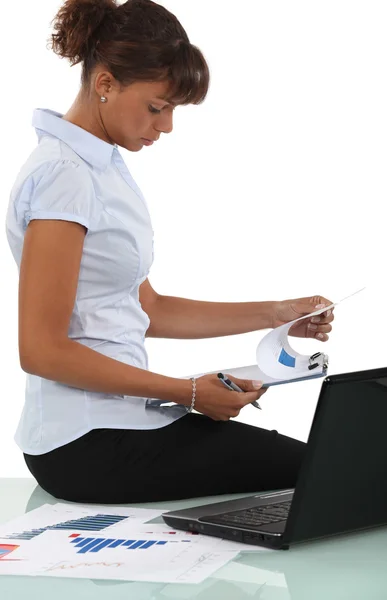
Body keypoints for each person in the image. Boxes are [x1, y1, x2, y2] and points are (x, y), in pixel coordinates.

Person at [5, 0, 334, 505]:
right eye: (157, 107)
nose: (167, 126)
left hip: (124, 420)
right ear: (106, 84)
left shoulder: (100, 165)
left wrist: (278, 313)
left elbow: (147, 308)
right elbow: (41, 349)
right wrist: (190, 392)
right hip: (84, 443)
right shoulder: (64, 175)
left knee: (326, 470)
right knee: (329, 475)